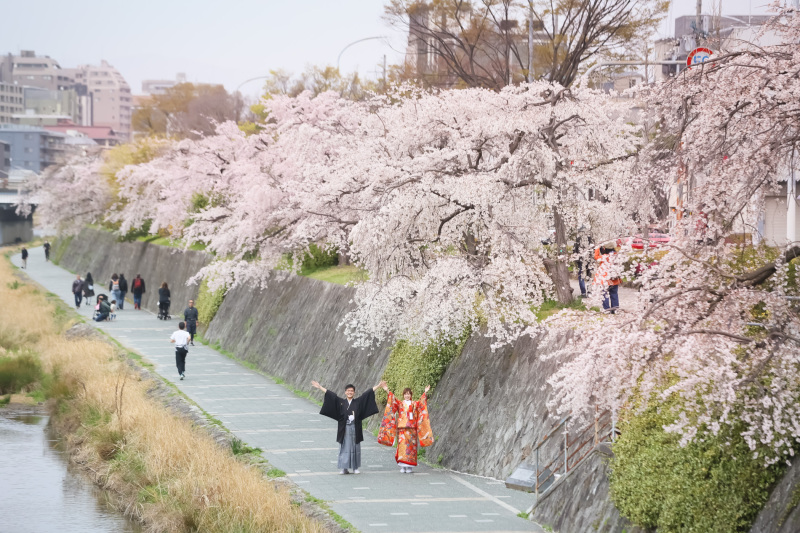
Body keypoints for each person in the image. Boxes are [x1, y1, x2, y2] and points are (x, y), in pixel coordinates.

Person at [311, 379, 385, 474]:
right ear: (345, 392)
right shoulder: (341, 402)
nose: (350, 392)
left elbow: (366, 394)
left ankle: (355, 468)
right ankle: (344, 468)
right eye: (348, 391)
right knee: (344, 447)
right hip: (344, 428)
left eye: (352, 391)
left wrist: (378, 386)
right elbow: (331, 395)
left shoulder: (358, 402)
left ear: (354, 392)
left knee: (355, 447)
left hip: (355, 428)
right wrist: (320, 387)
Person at [378, 384, 434, 473]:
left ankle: (409, 467)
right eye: (405, 394)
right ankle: (403, 466)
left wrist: (425, 392)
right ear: (403, 395)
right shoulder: (400, 404)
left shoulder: (415, 404)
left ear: (411, 395)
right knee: (402, 447)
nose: (407, 395)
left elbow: (421, 403)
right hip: (402, 429)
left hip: (412, 429)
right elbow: (393, 400)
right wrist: (387, 390)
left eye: (408, 394)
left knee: (411, 448)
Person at [593, 243, 621, 313]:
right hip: (614, 279)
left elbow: (596, 257)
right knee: (614, 294)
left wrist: (597, 248)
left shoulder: (605, 256)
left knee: (604, 294)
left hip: (605, 279)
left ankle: (607, 309)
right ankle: (615, 310)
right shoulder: (617, 256)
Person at [573, 231, 593, 298]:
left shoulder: (578, 239)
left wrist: (576, 257)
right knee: (589, 276)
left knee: (581, 276)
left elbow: (574, 250)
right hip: (589, 260)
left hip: (581, 260)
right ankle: (589, 292)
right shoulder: (590, 239)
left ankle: (583, 292)